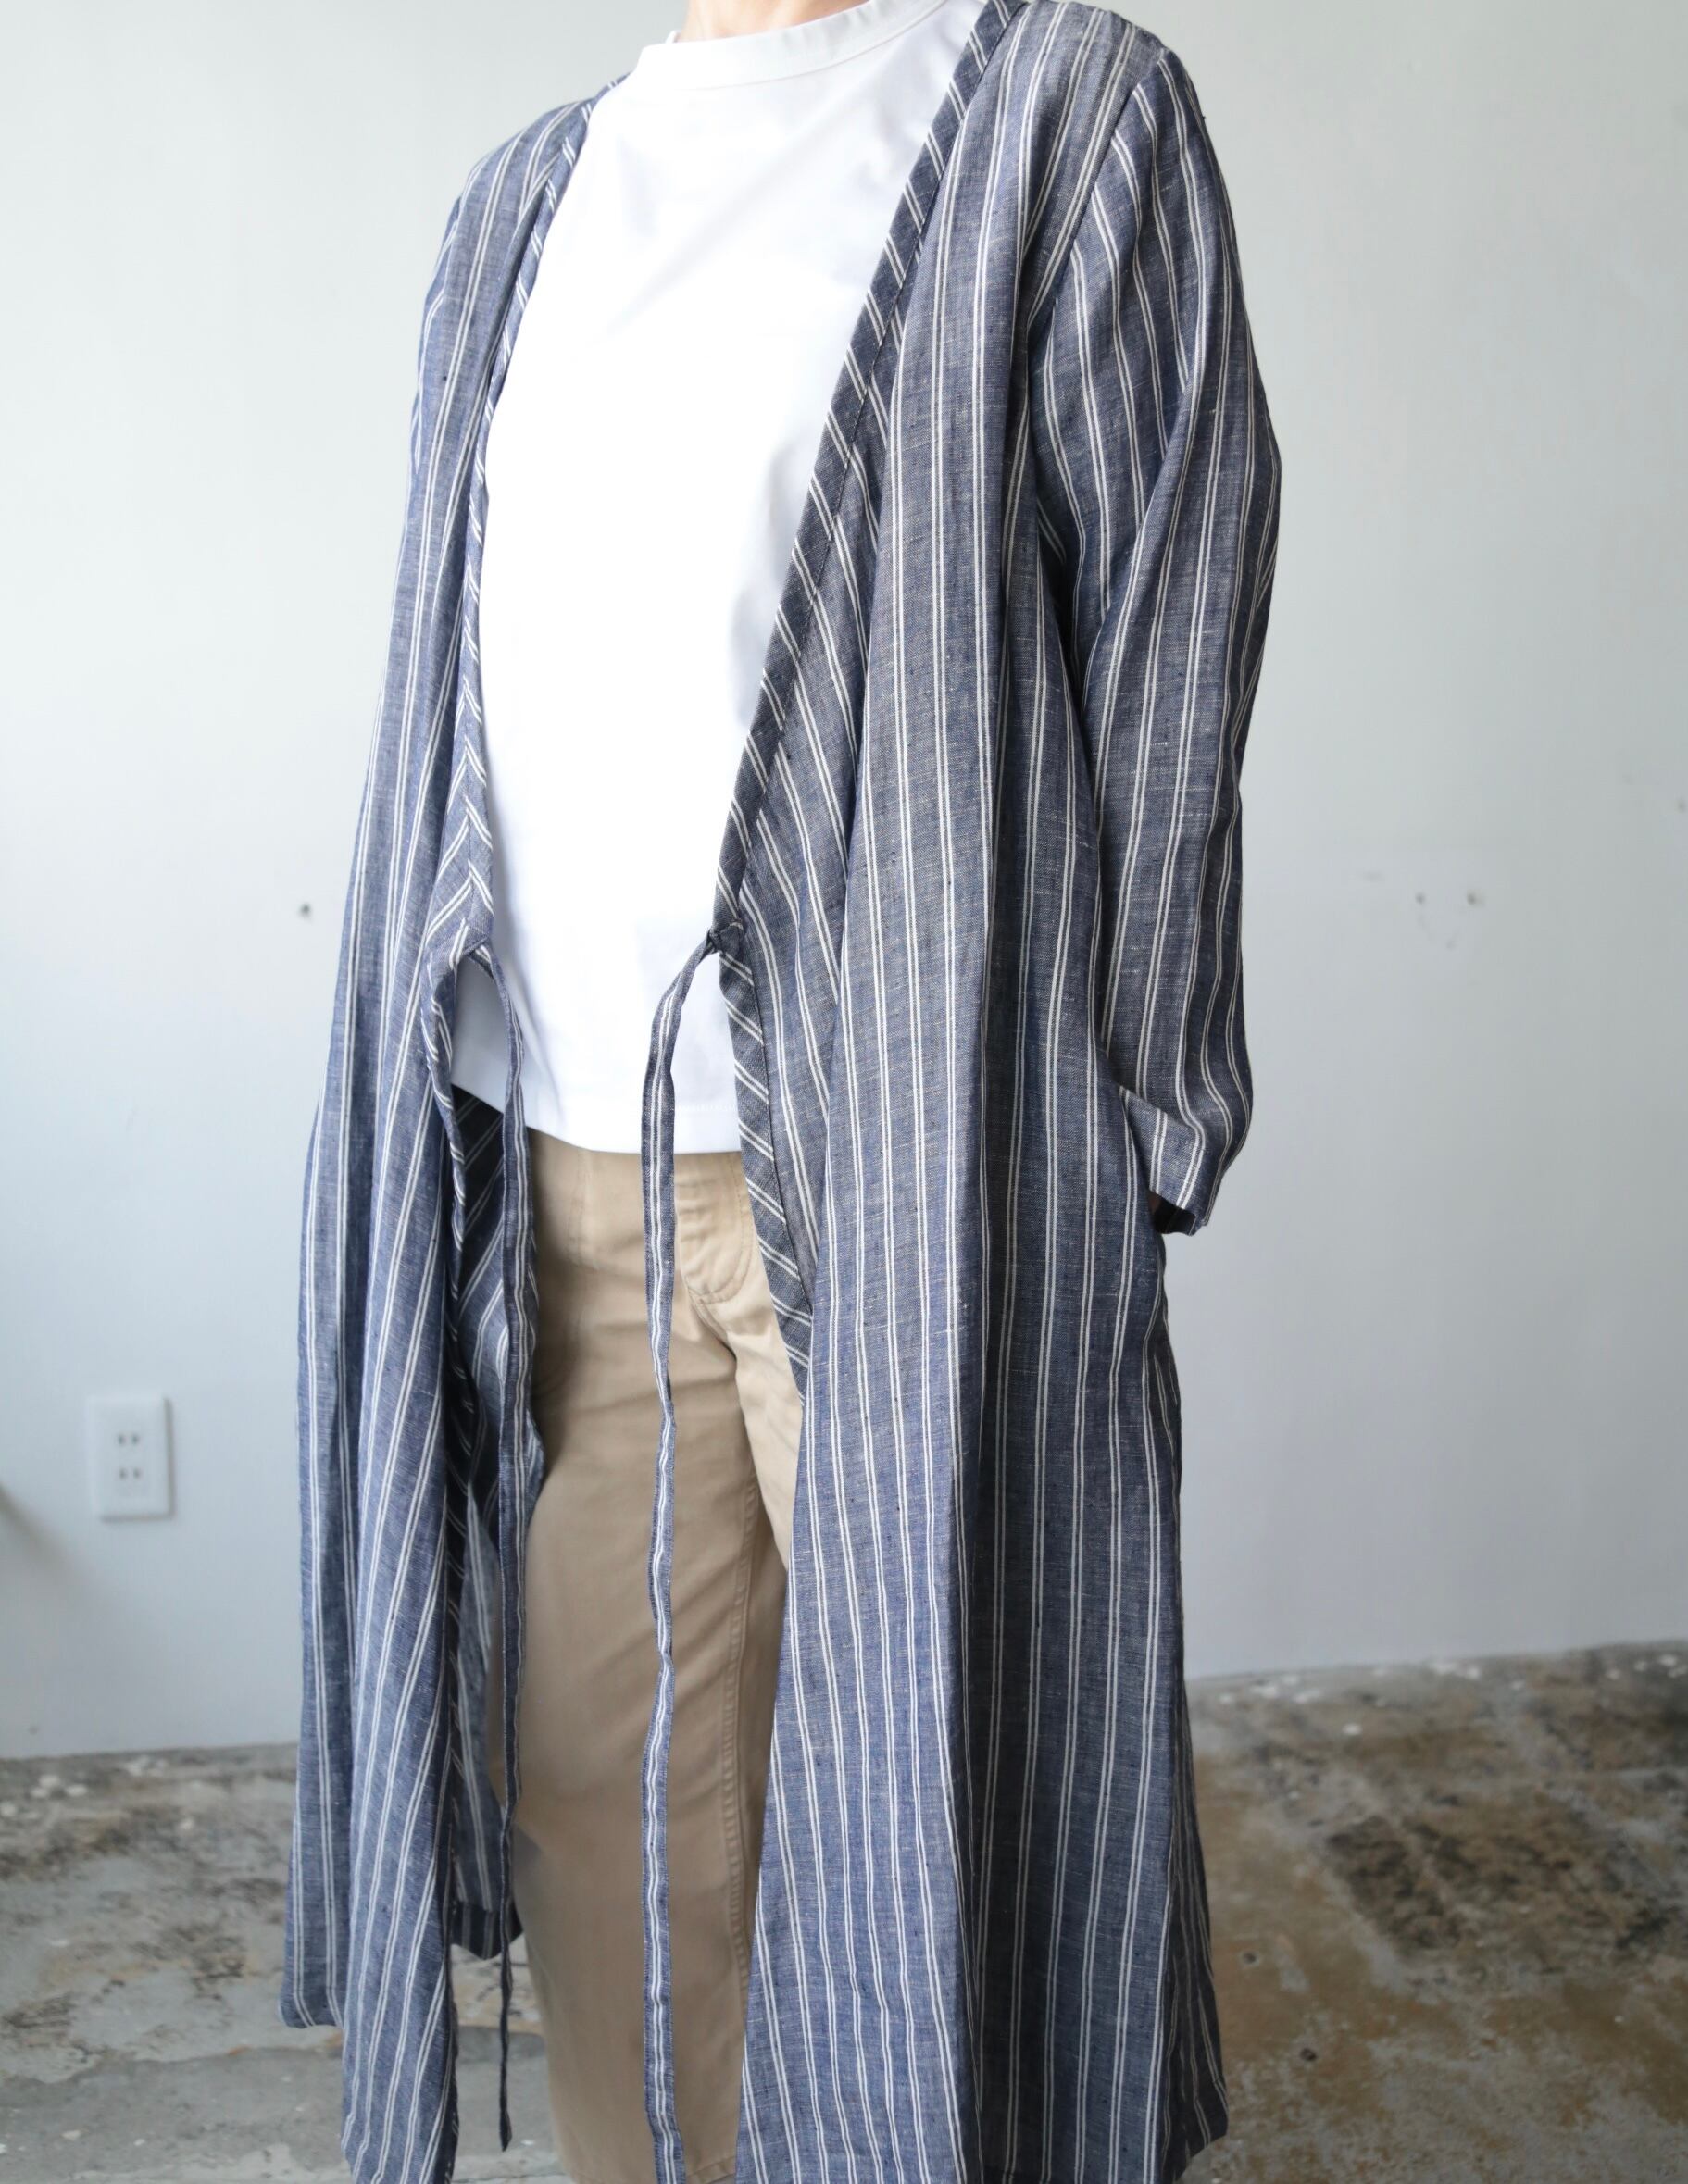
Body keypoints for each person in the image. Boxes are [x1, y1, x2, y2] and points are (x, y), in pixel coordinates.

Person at [281, 4, 1283, 2183]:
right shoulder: (523, 202)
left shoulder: (1062, 120)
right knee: (611, 1809)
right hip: (567, 1177)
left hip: (914, 1178)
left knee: (949, 1818)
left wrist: (1128, 1121)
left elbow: (1172, 638)